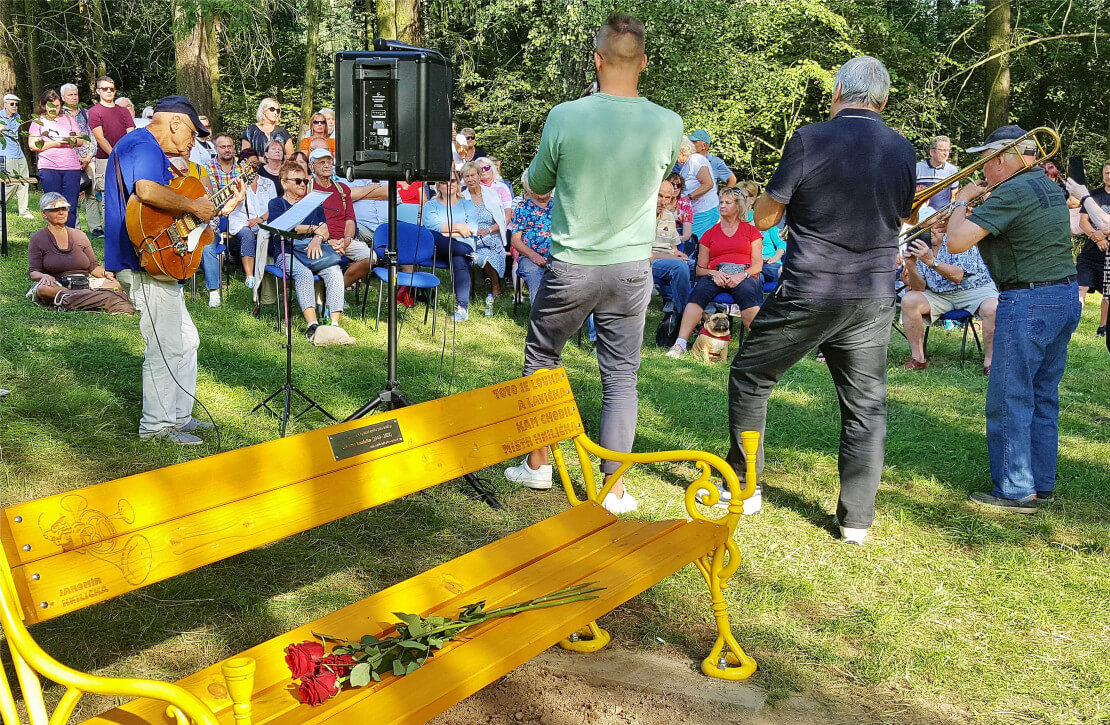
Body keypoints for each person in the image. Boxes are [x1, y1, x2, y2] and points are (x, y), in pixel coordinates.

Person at [728, 56, 916, 544]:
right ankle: (856, 521)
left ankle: (745, 487)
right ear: (883, 101)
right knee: (866, 406)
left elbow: (765, 219)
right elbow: (903, 215)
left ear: (836, 93)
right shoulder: (903, 148)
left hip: (812, 287)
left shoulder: (809, 138)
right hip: (873, 292)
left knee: (751, 375)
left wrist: (767, 198)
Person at [501, 13, 682, 514]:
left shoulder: (565, 116)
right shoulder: (669, 123)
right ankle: (613, 491)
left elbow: (536, 184)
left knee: (542, 359)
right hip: (631, 268)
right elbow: (658, 176)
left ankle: (539, 465)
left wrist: (540, 185)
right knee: (621, 375)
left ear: (597, 60)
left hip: (572, 265)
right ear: (643, 63)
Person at [946, 125, 1080, 513]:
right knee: (1042, 395)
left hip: (1029, 300)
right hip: (1063, 296)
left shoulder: (1012, 190)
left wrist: (961, 201)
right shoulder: (1046, 185)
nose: (981, 171)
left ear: (1003, 159)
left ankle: (1015, 490)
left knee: (1010, 396)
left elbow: (955, 241)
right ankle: (1041, 482)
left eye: (986, 162)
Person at [104, 95, 243, 444]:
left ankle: (179, 416)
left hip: (156, 258)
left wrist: (219, 209)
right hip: (142, 261)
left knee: (186, 339)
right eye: (192, 134)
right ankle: (157, 427)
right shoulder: (143, 144)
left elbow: (170, 217)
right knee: (165, 345)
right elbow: (146, 191)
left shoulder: (148, 148)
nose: (192, 142)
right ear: (176, 122)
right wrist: (195, 204)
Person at [667, 187, 763, 357]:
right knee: (697, 296)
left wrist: (741, 275)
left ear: (738, 206)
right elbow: (700, 269)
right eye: (721, 202)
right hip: (716, 273)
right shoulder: (709, 233)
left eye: (728, 202)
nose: (722, 205)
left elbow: (757, 265)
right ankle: (680, 344)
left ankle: (760, 349)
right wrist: (714, 274)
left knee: (748, 296)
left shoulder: (751, 232)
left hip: (743, 274)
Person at [899, 218, 998, 373]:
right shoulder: (920, 247)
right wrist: (911, 267)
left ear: (944, 227)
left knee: (992, 307)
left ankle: (991, 362)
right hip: (939, 294)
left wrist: (931, 261)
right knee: (909, 300)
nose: (931, 231)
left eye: (934, 227)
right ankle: (917, 358)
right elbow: (919, 288)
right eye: (925, 228)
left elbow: (957, 276)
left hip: (974, 290)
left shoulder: (957, 241)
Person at [267, 161, 346, 340]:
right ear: (284, 183)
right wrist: (314, 229)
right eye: (297, 181)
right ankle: (313, 325)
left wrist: (317, 240)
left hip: (313, 252)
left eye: (305, 180)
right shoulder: (277, 204)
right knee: (304, 274)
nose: (303, 184)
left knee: (335, 272)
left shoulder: (313, 204)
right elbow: (284, 227)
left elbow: (325, 230)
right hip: (287, 253)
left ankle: (333, 325)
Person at [27, 192, 129, 310]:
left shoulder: (79, 235)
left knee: (116, 284)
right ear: (44, 214)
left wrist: (106, 273)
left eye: (64, 209)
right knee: (43, 289)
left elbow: (93, 266)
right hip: (57, 284)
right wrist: (43, 276)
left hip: (84, 283)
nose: (61, 212)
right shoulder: (38, 238)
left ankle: (71, 300)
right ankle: (97, 298)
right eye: (55, 210)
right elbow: (34, 271)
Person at [307, 147, 372, 288]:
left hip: (343, 240)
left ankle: (338, 290)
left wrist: (346, 241)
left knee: (370, 257)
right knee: (330, 263)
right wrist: (326, 241)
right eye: (321, 162)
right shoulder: (307, 189)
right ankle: (333, 293)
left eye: (329, 161)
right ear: (311, 166)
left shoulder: (342, 189)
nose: (327, 165)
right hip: (319, 240)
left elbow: (350, 220)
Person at [422, 175, 478, 322]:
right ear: (438, 186)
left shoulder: (468, 204)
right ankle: (473, 255)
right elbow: (432, 227)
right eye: (443, 181)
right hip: (438, 248)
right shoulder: (431, 205)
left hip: (462, 245)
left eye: (452, 180)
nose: (448, 184)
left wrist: (446, 231)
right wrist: (459, 227)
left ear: (458, 183)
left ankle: (462, 309)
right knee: (431, 235)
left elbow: (472, 229)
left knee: (458, 260)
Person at [28, 90, 85, 229]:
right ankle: (54, 234)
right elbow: (33, 145)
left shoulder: (68, 119)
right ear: (44, 106)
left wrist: (70, 140)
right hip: (49, 167)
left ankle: (69, 234)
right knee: (53, 204)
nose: (54, 109)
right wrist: (54, 143)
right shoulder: (38, 121)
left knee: (70, 205)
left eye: (57, 106)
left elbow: (80, 141)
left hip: (71, 168)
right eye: (51, 106)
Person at [199, 133, 242, 306]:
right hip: (211, 217)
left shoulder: (241, 169)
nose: (227, 150)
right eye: (223, 147)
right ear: (215, 148)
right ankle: (211, 289)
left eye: (229, 146)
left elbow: (243, 196)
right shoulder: (206, 168)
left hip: (235, 215)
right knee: (206, 243)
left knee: (208, 243)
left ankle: (215, 290)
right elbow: (210, 196)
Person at [88, 76, 134, 235]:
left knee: (127, 193)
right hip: (105, 160)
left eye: (111, 88)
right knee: (107, 196)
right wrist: (115, 155)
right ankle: (112, 231)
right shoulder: (94, 112)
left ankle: (128, 228)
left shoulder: (123, 111)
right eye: (104, 88)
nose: (108, 91)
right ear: (98, 91)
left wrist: (124, 155)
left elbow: (130, 134)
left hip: (126, 159)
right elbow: (100, 138)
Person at [460, 160, 507, 311]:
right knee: (471, 251)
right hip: (470, 236)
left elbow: (501, 221)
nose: (470, 179)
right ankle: (468, 287)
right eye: (466, 176)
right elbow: (459, 221)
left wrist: (489, 230)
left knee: (489, 253)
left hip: (491, 235)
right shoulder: (461, 197)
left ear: (479, 175)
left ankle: (495, 284)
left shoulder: (492, 194)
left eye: (473, 175)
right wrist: (471, 230)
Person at [228, 148, 276, 288]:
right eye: (250, 163)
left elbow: (273, 207)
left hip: (264, 220)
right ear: (242, 165)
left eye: (255, 163)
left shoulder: (268, 183)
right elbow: (231, 206)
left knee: (268, 233)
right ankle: (250, 276)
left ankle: (267, 270)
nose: (253, 166)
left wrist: (259, 219)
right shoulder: (234, 183)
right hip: (241, 220)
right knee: (247, 235)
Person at [1076, 160, 1110, 337]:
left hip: (1108, 256)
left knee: (1108, 295)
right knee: (1080, 287)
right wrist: (1095, 237)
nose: (1109, 176)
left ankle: (1102, 329)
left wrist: (1103, 234)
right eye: (1106, 173)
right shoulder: (1093, 196)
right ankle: (1072, 327)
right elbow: (1083, 221)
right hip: (1090, 253)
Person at [652, 179, 694, 316]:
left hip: (668, 257)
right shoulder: (642, 217)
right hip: (648, 261)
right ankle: (684, 314)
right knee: (679, 267)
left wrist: (678, 253)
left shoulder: (669, 216)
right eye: (660, 196)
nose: (663, 202)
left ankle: (705, 310)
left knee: (699, 266)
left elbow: (674, 247)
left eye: (667, 198)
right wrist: (672, 257)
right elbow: (643, 254)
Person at [60, 83, 97, 234]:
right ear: (63, 97)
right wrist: (75, 158)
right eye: (70, 95)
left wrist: (89, 156)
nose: (74, 97)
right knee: (72, 194)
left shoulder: (85, 113)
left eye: (76, 94)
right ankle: (75, 228)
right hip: (69, 160)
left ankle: (96, 228)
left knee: (92, 193)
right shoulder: (60, 115)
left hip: (89, 158)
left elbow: (93, 136)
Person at [510, 182, 553, 303]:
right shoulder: (523, 206)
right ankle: (539, 312)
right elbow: (515, 240)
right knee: (534, 273)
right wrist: (533, 256)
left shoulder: (560, 205)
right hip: (529, 258)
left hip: (557, 256)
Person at [676, 136, 719, 239]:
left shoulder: (695, 159)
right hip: (695, 213)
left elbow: (708, 184)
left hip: (704, 212)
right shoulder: (686, 164)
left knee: (695, 243)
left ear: (681, 151)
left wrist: (687, 198)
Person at [0, 94, 33, 219]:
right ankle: (1, 205)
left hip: (19, 153)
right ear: (5, 104)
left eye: (16, 104)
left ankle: (24, 211)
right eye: (12, 104)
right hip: (6, 154)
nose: (15, 106)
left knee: (24, 181)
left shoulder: (17, 117)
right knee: (11, 183)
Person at [916, 135, 959, 209]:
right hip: (920, 213)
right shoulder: (917, 168)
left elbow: (954, 196)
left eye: (948, 150)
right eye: (942, 150)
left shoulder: (952, 170)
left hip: (943, 214)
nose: (946, 154)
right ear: (932, 152)